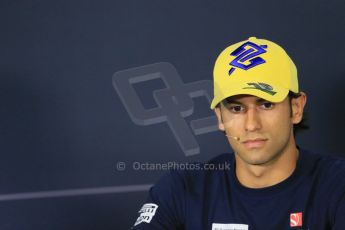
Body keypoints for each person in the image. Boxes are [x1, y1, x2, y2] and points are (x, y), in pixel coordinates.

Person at [131, 37, 345, 229]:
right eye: (236, 108)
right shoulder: (183, 188)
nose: (251, 125)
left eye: (266, 105)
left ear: (296, 108)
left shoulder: (337, 185)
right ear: (220, 117)